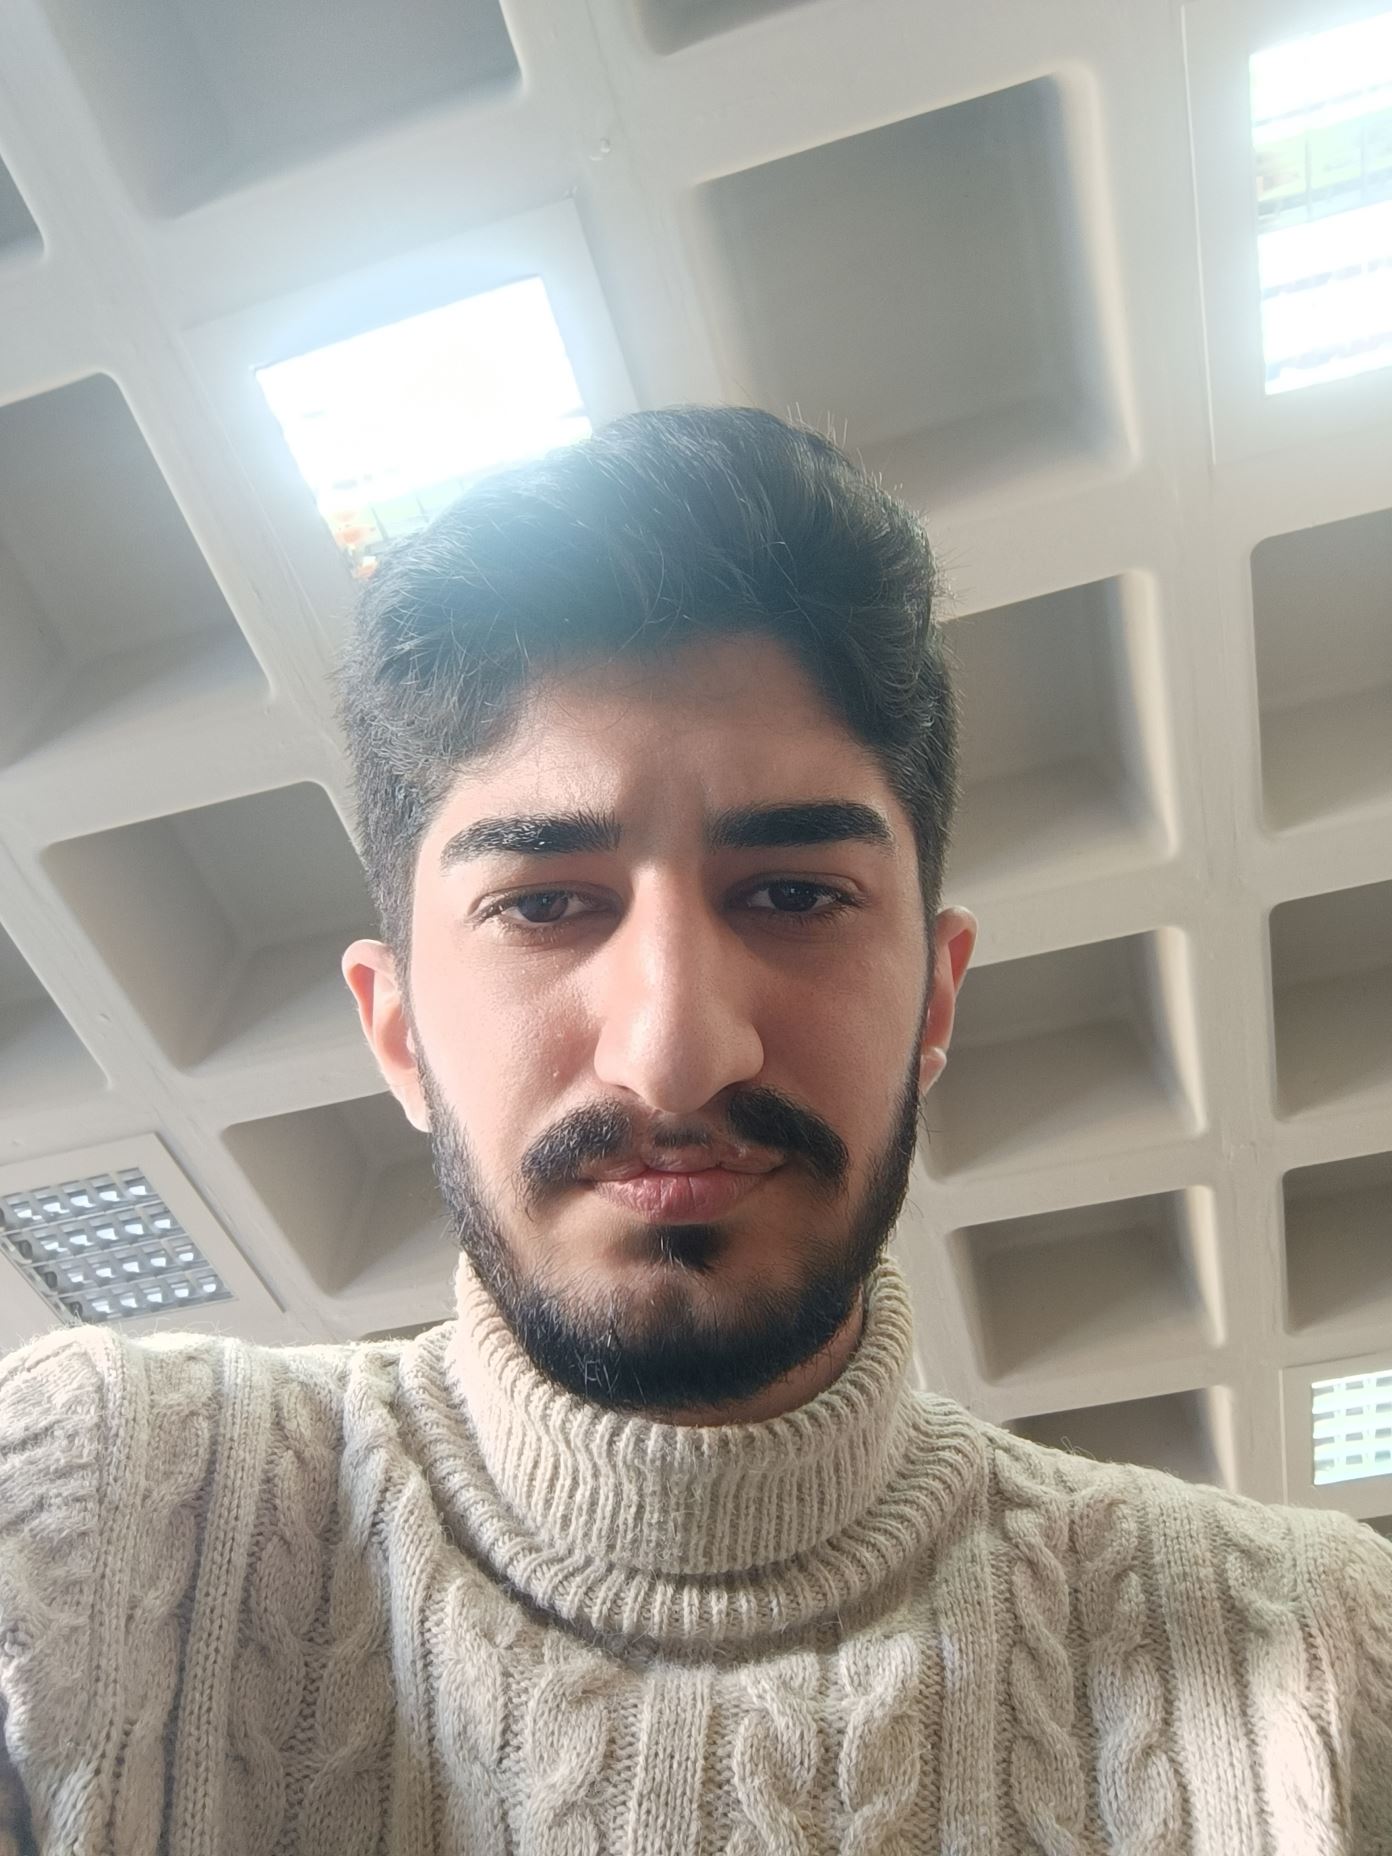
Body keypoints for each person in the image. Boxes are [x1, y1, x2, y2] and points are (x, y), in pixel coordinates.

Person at [0, 407, 1389, 1854]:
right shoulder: (86, 1509)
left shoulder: (1322, 1665)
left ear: (935, 997)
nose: (673, 1053)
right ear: (396, 1029)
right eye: (545, 904)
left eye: (794, 894)